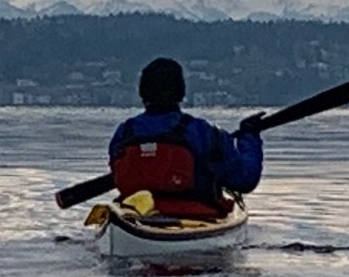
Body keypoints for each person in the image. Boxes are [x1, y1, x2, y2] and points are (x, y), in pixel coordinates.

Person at [108, 58, 262, 218]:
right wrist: (250, 136)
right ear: (181, 92)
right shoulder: (205, 132)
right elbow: (245, 179)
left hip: (137, 213)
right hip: (199, 215)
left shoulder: (124, 133)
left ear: (142, 92)